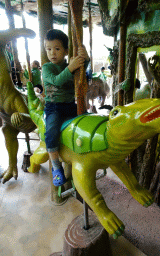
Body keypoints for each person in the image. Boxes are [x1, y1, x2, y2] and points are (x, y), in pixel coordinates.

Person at [42, 29, 89, 187]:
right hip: (53, 107)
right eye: (48, 49)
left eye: (57, 49)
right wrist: (71, 67)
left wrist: (85, 59)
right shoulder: (47, 68)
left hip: (69, 105)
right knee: (51, 131)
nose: (52, 53)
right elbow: (56, 81)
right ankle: (56, 167)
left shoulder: (71, 65)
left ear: (66, 51)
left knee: (86, 119)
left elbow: (82, 73)